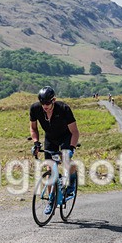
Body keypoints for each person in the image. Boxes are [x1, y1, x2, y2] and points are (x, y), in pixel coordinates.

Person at [30, 86, 80, 215]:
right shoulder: (35, 109)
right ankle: (51, 201)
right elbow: (33, 128)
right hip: (50, 138)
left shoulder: (63, 109)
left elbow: (74, 132)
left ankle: (72, 181)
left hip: (66, 136)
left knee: (66, 159)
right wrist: (36, 143)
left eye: (47, 103)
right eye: (42, 103)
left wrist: (71, 149)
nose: (44, 106)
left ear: (54, 100)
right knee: (50, 168)